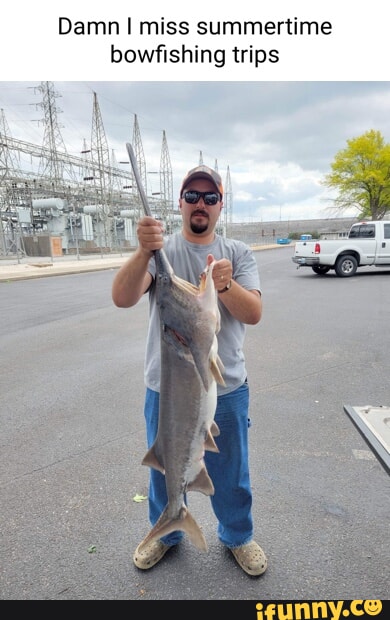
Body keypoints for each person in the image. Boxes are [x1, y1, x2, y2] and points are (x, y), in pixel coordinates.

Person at [112, 164, 267, 577]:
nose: (201, 204)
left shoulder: (238, 252)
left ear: (220, 205)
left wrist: (224, 287)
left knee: (232, 471)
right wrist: (144, 251)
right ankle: (166, 531)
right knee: (165, 465)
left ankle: (238, 535)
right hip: (164, 388)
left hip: (228, 387)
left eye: (210, 197)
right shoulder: (161, 253)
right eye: (193, 196)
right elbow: (122, 297)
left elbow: (253, 313)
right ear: (180, 203)